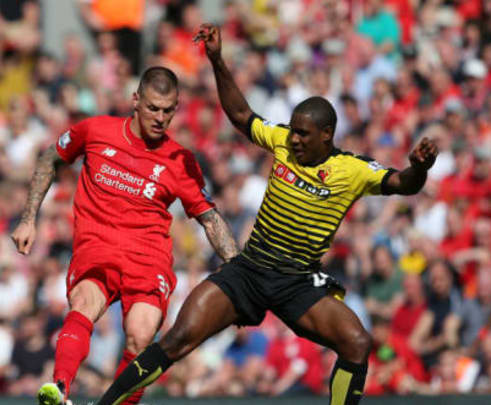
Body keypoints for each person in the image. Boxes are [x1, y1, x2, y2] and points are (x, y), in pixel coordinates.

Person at [95, 24, 438, 405]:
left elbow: (403, 184)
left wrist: (419, 168)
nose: (294, 139)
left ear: (327, 135)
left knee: (357, 342)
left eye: (304, 134)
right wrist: (217, 60)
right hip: (250, 271)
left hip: (296, 283)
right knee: (177, 339)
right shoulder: (281, 142)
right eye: (292, 131)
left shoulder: (353, 170)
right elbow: (241, 114)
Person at [10, 66, 238, 405]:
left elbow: (210, 218)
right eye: (153, 108)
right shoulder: (96, 130)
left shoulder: (179, 161)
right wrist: (29, 217)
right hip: (97, 246)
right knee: (84, 303)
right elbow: (50, 159)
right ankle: (59, 389)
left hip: (148, 259)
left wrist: (239, 267)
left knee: (141, 335)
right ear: (136, 100)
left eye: (168, 110)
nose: (160, 118)